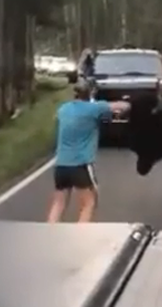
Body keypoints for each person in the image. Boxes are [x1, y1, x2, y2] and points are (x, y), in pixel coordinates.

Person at [46, 79, 130, 223]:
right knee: (89, 203)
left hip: (61, 165)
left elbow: (58, 119)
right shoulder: (94, 108)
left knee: (59, 204)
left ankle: (49, 234)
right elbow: (124, 106)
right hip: (81, 165)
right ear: (91, 93)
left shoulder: (63, 109)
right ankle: (81, 238)